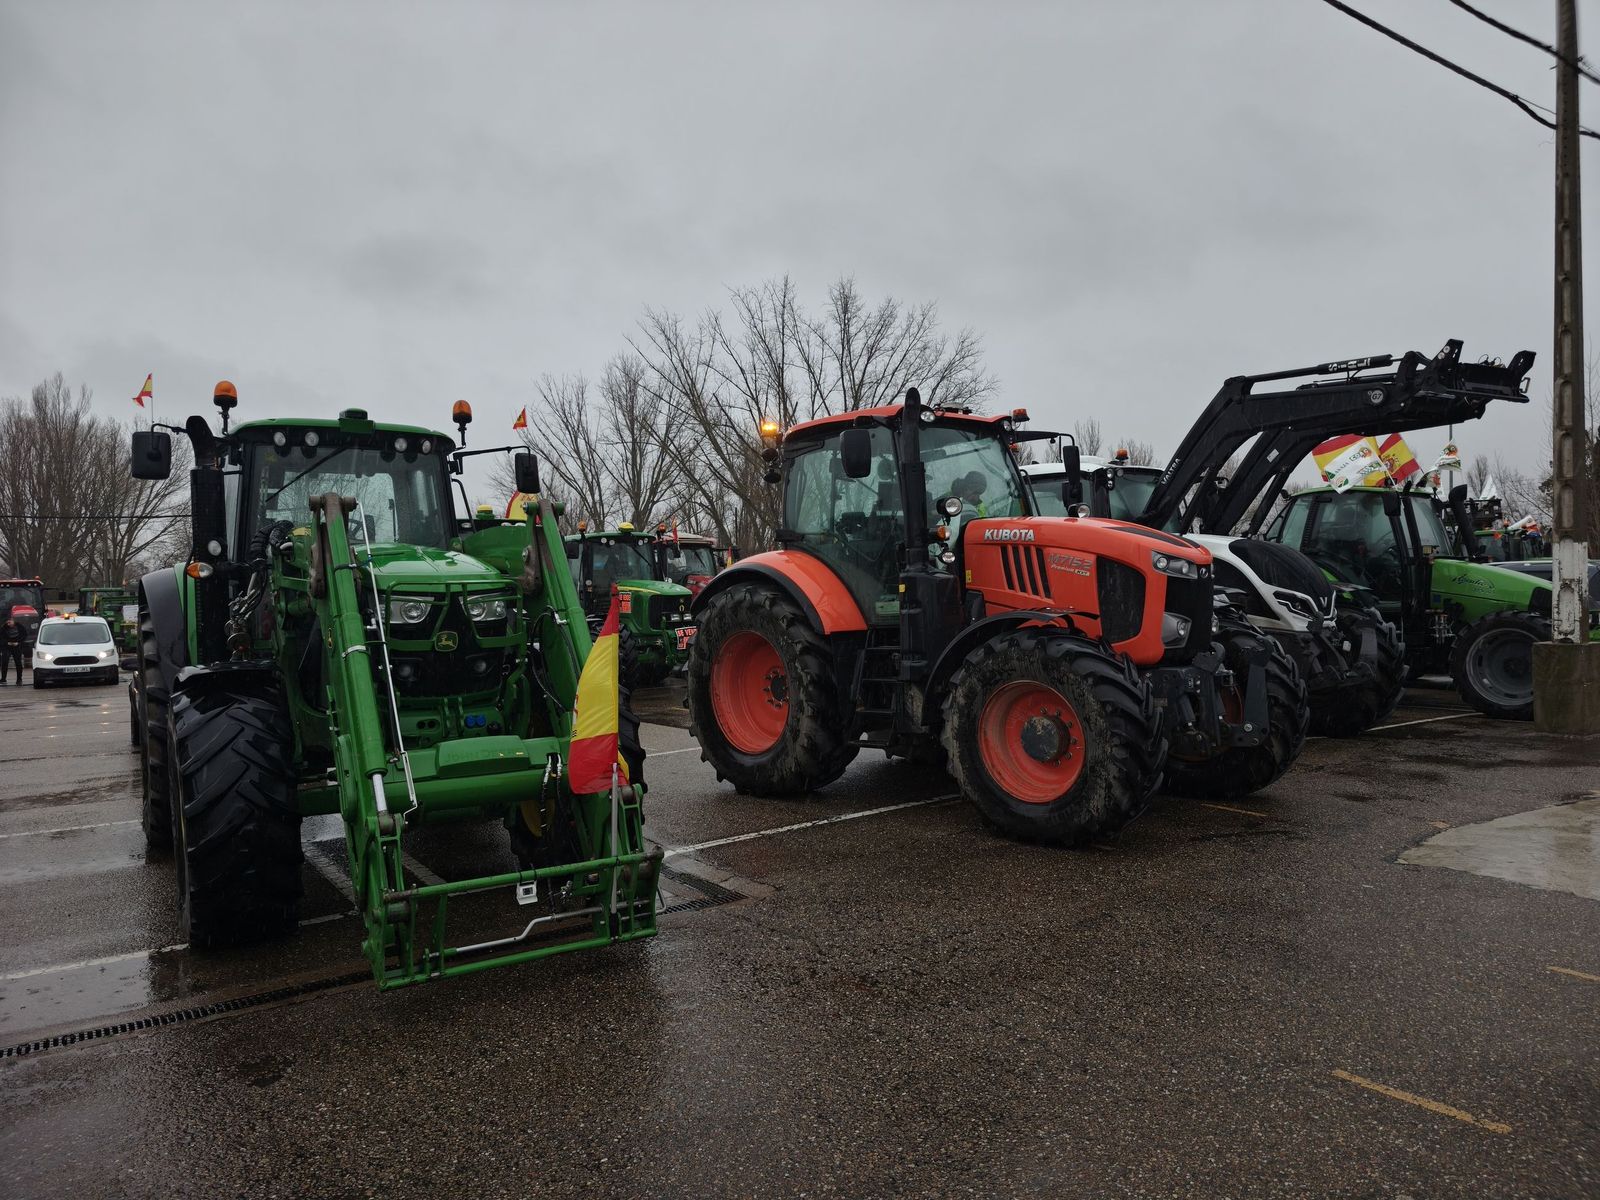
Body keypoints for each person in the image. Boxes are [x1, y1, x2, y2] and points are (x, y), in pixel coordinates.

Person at [1, 616, 23, 684]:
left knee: (18, 662)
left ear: (13, 621)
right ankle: (3, 679)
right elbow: (1, 638)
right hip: (7, 646)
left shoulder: (20, 626)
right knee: (4, 661)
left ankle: (19, 679)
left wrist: (18, 642)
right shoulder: (3, 628)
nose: (8, 624)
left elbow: (24, 635)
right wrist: (7, 643)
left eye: (9, 622)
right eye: (7, 623)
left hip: (16, 646)